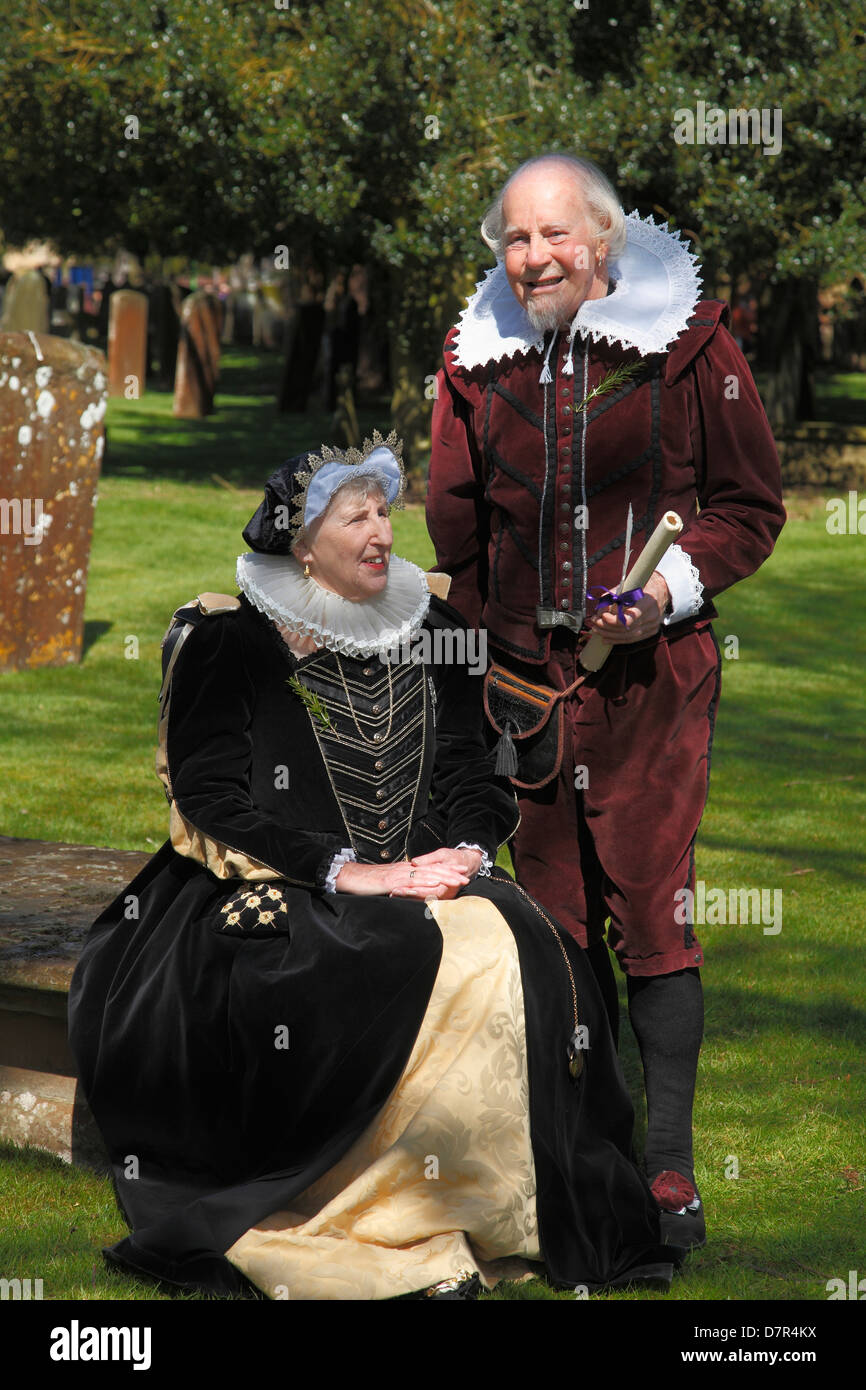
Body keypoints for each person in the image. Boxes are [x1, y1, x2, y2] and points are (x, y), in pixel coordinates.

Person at [68, 431, 675, 1300]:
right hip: (274, 884)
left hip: (432, 871)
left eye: (384, 511)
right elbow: (211, 799)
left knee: (516, 954)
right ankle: (364, 1223)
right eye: (353, 516)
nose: (380, 532)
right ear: (300, 542)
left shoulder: (438, 632)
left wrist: (464, 851)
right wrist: (348, 871)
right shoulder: (232, 643)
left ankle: (491, 1213)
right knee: (370, 960)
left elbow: (477, 769)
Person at [426, 154, 786, 1252]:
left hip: (651, 685)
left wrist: (665, 593)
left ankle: (667, 1169)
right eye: (515, 240)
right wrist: (477, 671)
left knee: (653, 905)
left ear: (604, 242)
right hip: (522, 685)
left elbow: (745, 506)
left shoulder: (690, 348)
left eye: (554, 235)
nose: (534, 258)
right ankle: (582, 1152)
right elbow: (457, 529)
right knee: (546, 911)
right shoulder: (472, 363)